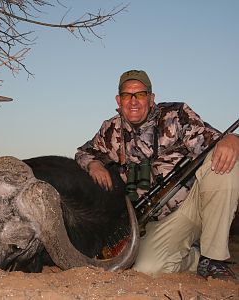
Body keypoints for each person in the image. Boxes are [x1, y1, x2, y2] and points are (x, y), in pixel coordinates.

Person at [75, 69, 239, 279]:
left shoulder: (175, 114)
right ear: (119, 100)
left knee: (223, 160)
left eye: (140, 94)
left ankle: (214, 258)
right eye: (127, 95)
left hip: (194, 203)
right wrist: (94, 165)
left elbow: (210, 141)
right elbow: (83, 153)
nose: (133, 101)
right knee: (147, 269)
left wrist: (232, 139)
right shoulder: (111, 129)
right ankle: (195, 258)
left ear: (151, 98)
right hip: (160, 220)